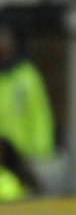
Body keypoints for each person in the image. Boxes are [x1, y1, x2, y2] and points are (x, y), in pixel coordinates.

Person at [0, 22, 55, 160]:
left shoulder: (27, 75)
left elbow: (40, 114)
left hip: (23, 154)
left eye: (5, 39)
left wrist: (42, 150)